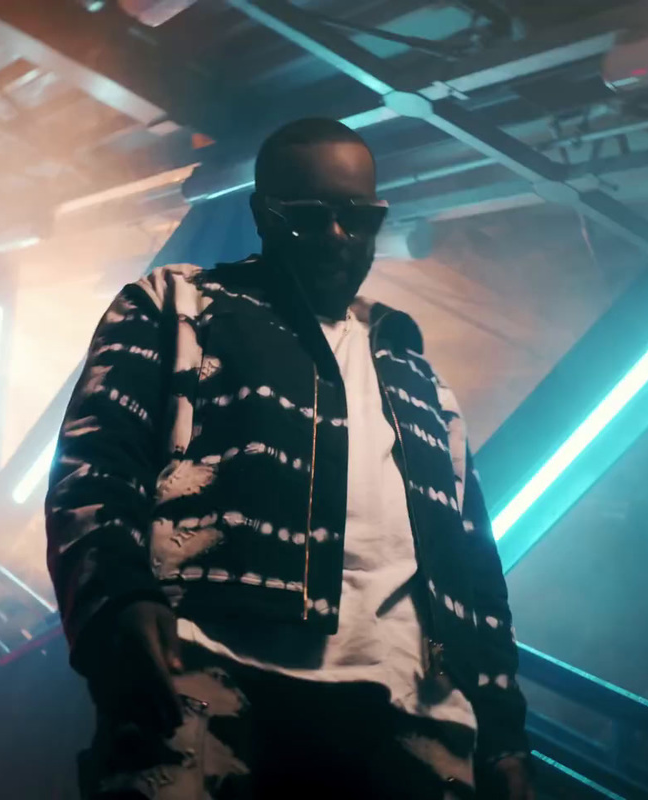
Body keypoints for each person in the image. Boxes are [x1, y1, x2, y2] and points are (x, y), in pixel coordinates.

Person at [46, 117, 531, 800]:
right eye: (310, 217)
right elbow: (97, 462)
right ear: (263, 216)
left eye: (359, 217)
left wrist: (505, 735)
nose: (338, 236)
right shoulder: (175, 304)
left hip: (411, 706)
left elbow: (474, 562)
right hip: (208, 673)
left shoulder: (412, 365)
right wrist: (116, 598)